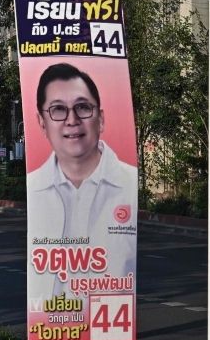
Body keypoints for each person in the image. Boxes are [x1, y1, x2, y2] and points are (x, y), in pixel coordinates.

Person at [25, 63, 137, 302]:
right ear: (42, 122)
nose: (72, 120)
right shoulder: (33, 189)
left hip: (110, 333)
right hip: (50, 330)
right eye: (57, 110)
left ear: (101, 118)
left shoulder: (129, 185)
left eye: (82, 107)